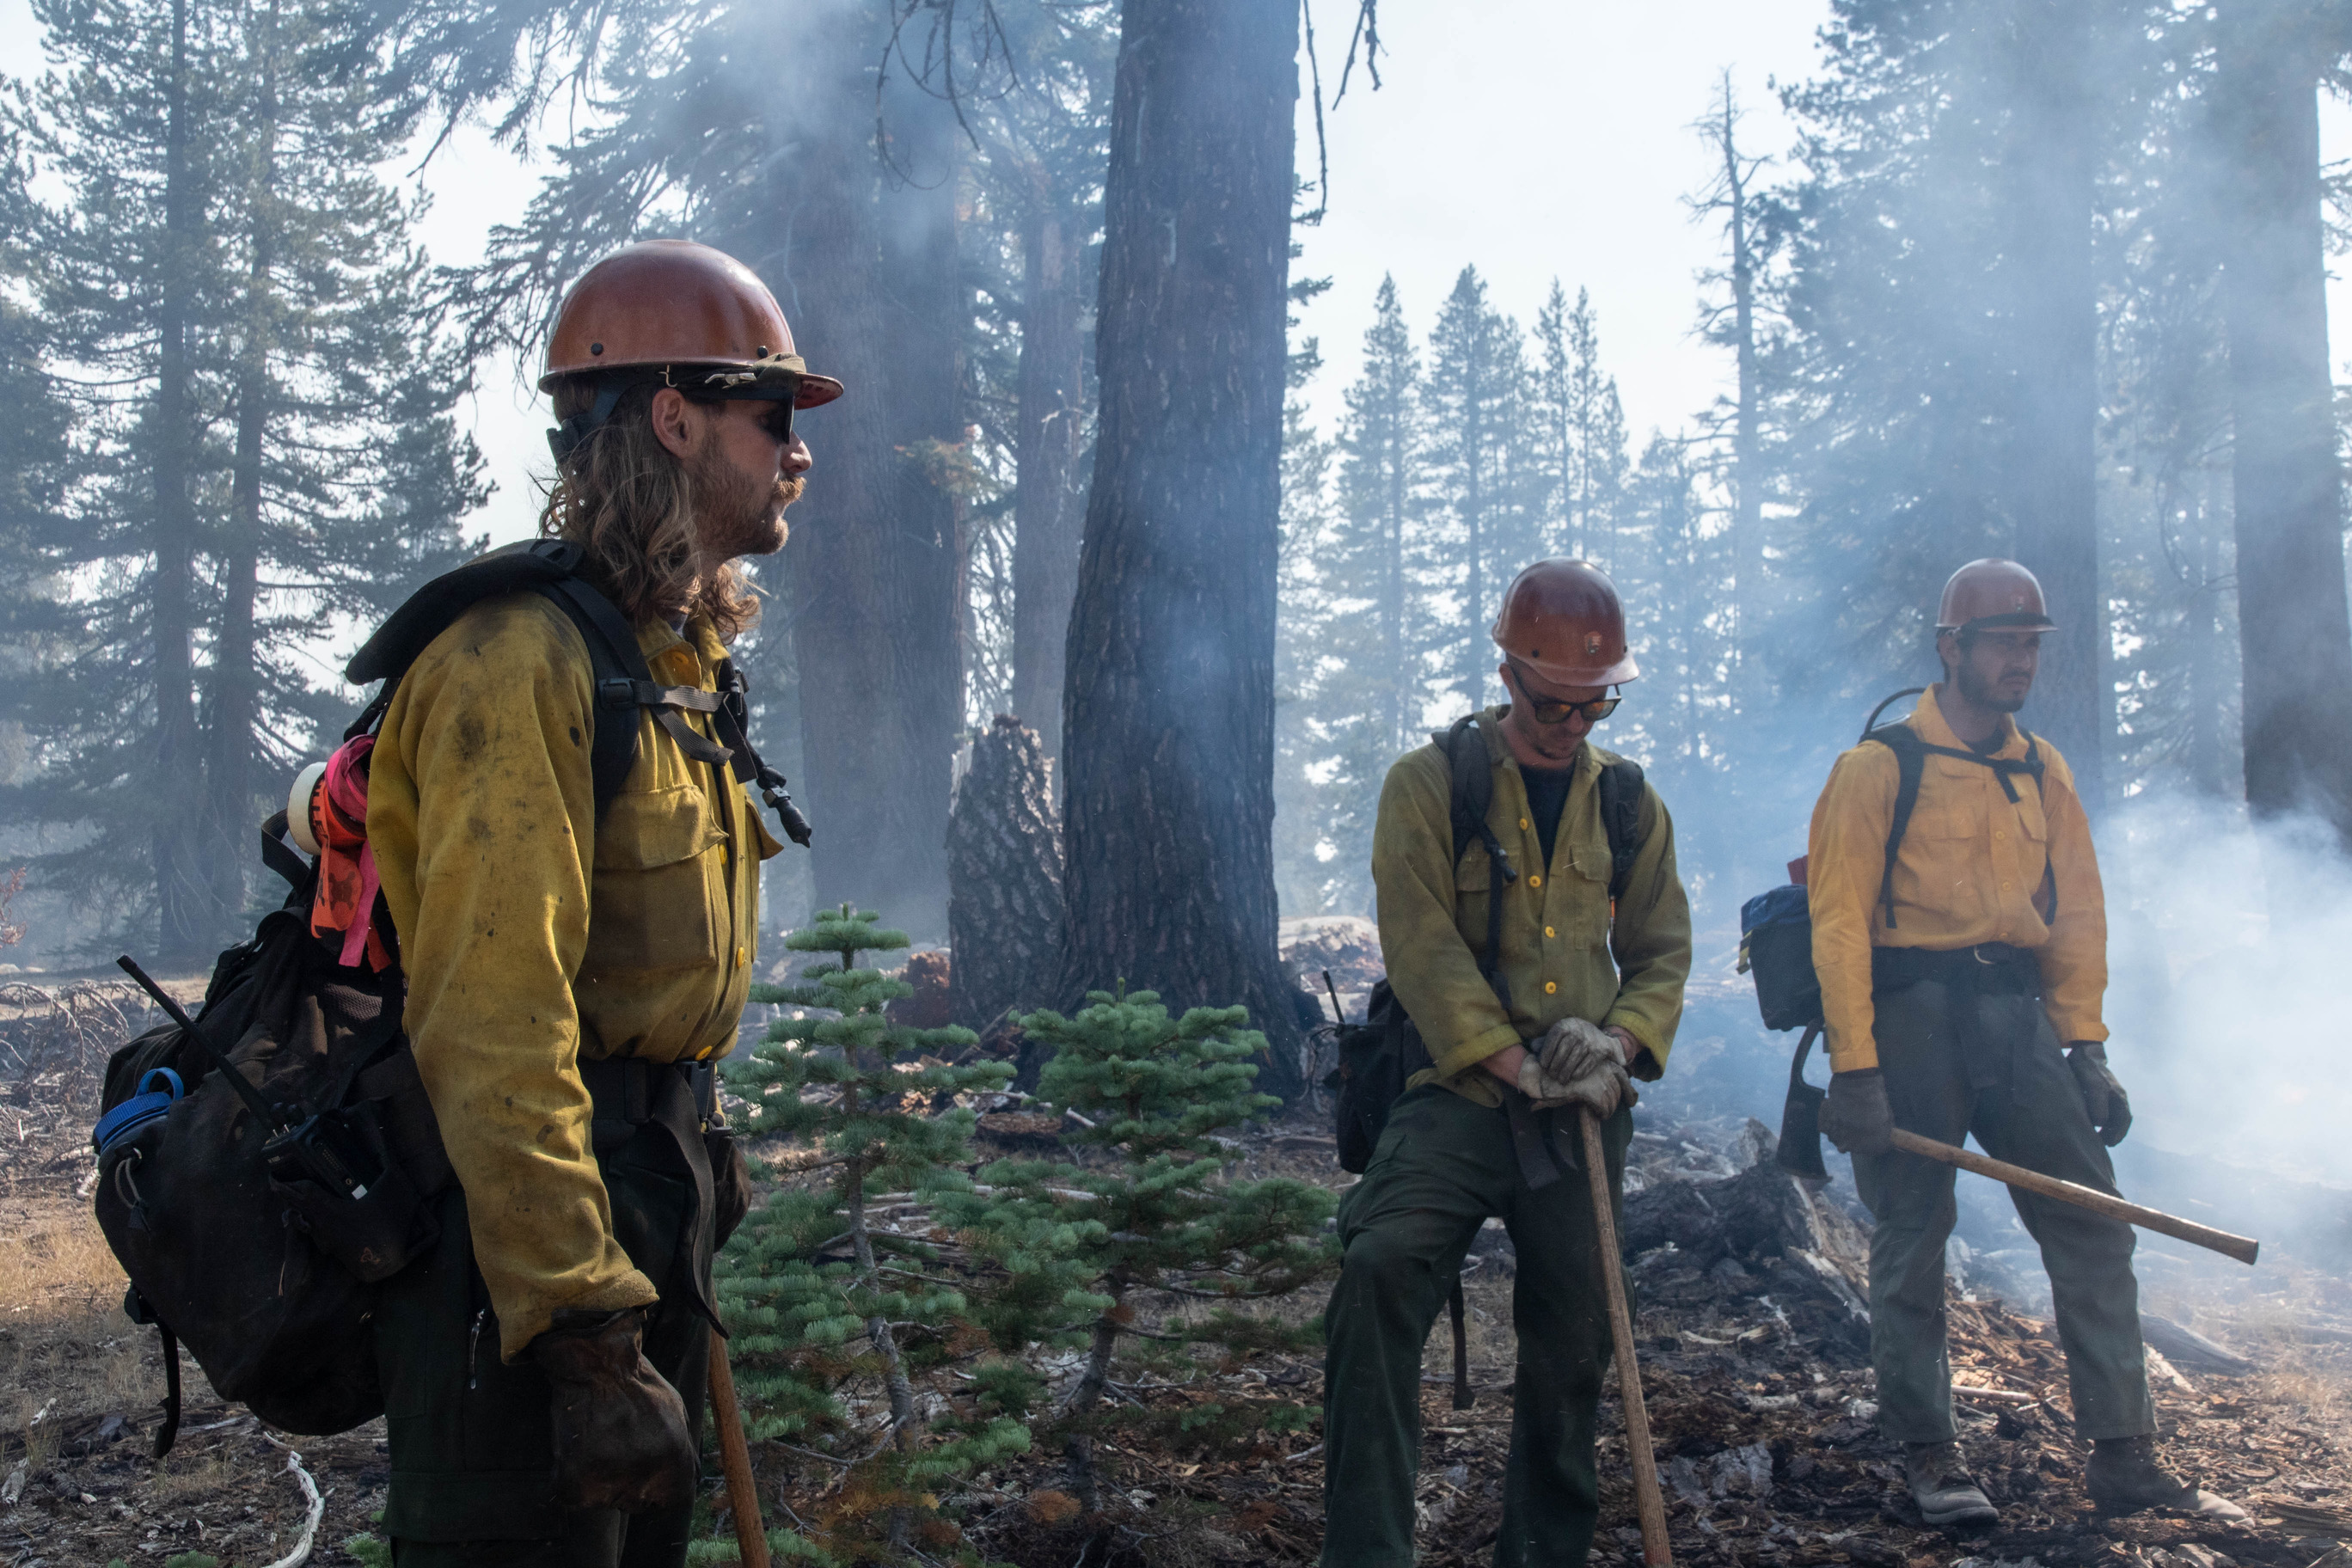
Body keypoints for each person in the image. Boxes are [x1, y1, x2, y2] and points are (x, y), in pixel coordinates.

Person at [364, 239, 842, 1566]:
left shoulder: (674, 665)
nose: (798, 449)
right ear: (675, 418)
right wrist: (580, 1334)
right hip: (519, 1245)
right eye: (772, 414)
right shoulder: (512, 658)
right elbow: (493, 1023)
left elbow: (650, 971)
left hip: (645, 1198)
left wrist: (695, 1158)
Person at [1807, 558, 2244, 1528]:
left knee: (2093, 1216)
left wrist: (2084, 1047)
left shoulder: (2042, 770)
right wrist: (1855, 1068)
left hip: (2018, 1022)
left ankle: (2125, 1452)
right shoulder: (1878, 768)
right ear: (1951, 648)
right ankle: (1928, 1454)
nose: (2021, 662)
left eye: (2032, 645)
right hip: (1911, 1018)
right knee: (1914, 1235)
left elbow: (2078, 912)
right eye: (2004, 642)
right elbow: (1835, 924)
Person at [1323, 559, 1694, 1568]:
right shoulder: (1428, 785)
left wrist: (1612, 1044)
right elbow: (1423, 947)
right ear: (1506, 673)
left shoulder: (1626, 803)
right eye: (1551, 703)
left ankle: (1545, 1552)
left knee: (1578, 1334)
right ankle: (1365, 1553)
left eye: (1593, 705)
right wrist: (1513, 1066)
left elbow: (1662, 953)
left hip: (1583, 1105)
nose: (1571, 725)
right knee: (1378, 1267)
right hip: (1457, 1092)